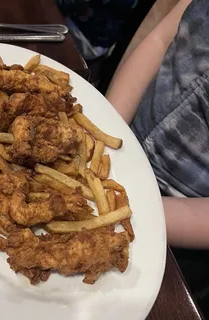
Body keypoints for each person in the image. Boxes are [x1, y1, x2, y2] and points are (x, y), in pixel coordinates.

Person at [105, 0, 209, 248]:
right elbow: (161, 40)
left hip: (177, 221)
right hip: (122, 135)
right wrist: (105, 134)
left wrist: (127, 210)